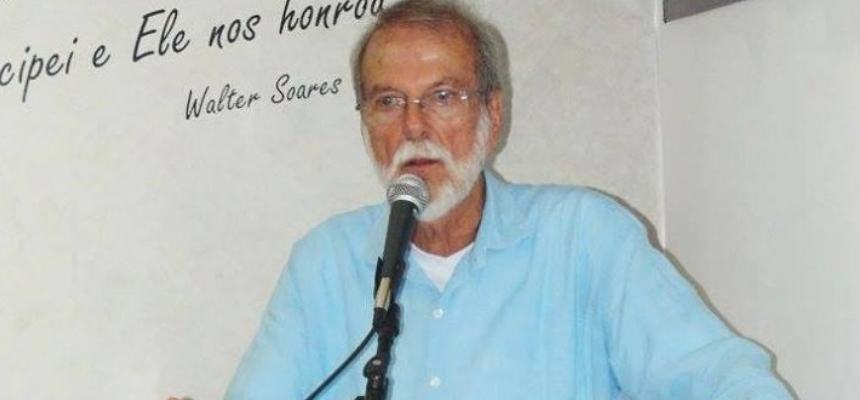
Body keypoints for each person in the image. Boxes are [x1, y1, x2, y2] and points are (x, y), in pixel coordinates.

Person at [223, 0, 794, 399]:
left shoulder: (584, 236)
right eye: (388, 102)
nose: (413, 127)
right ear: (366, 122)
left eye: (442, 97)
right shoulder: (322, 264)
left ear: (492, 114)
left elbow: (719, 377)